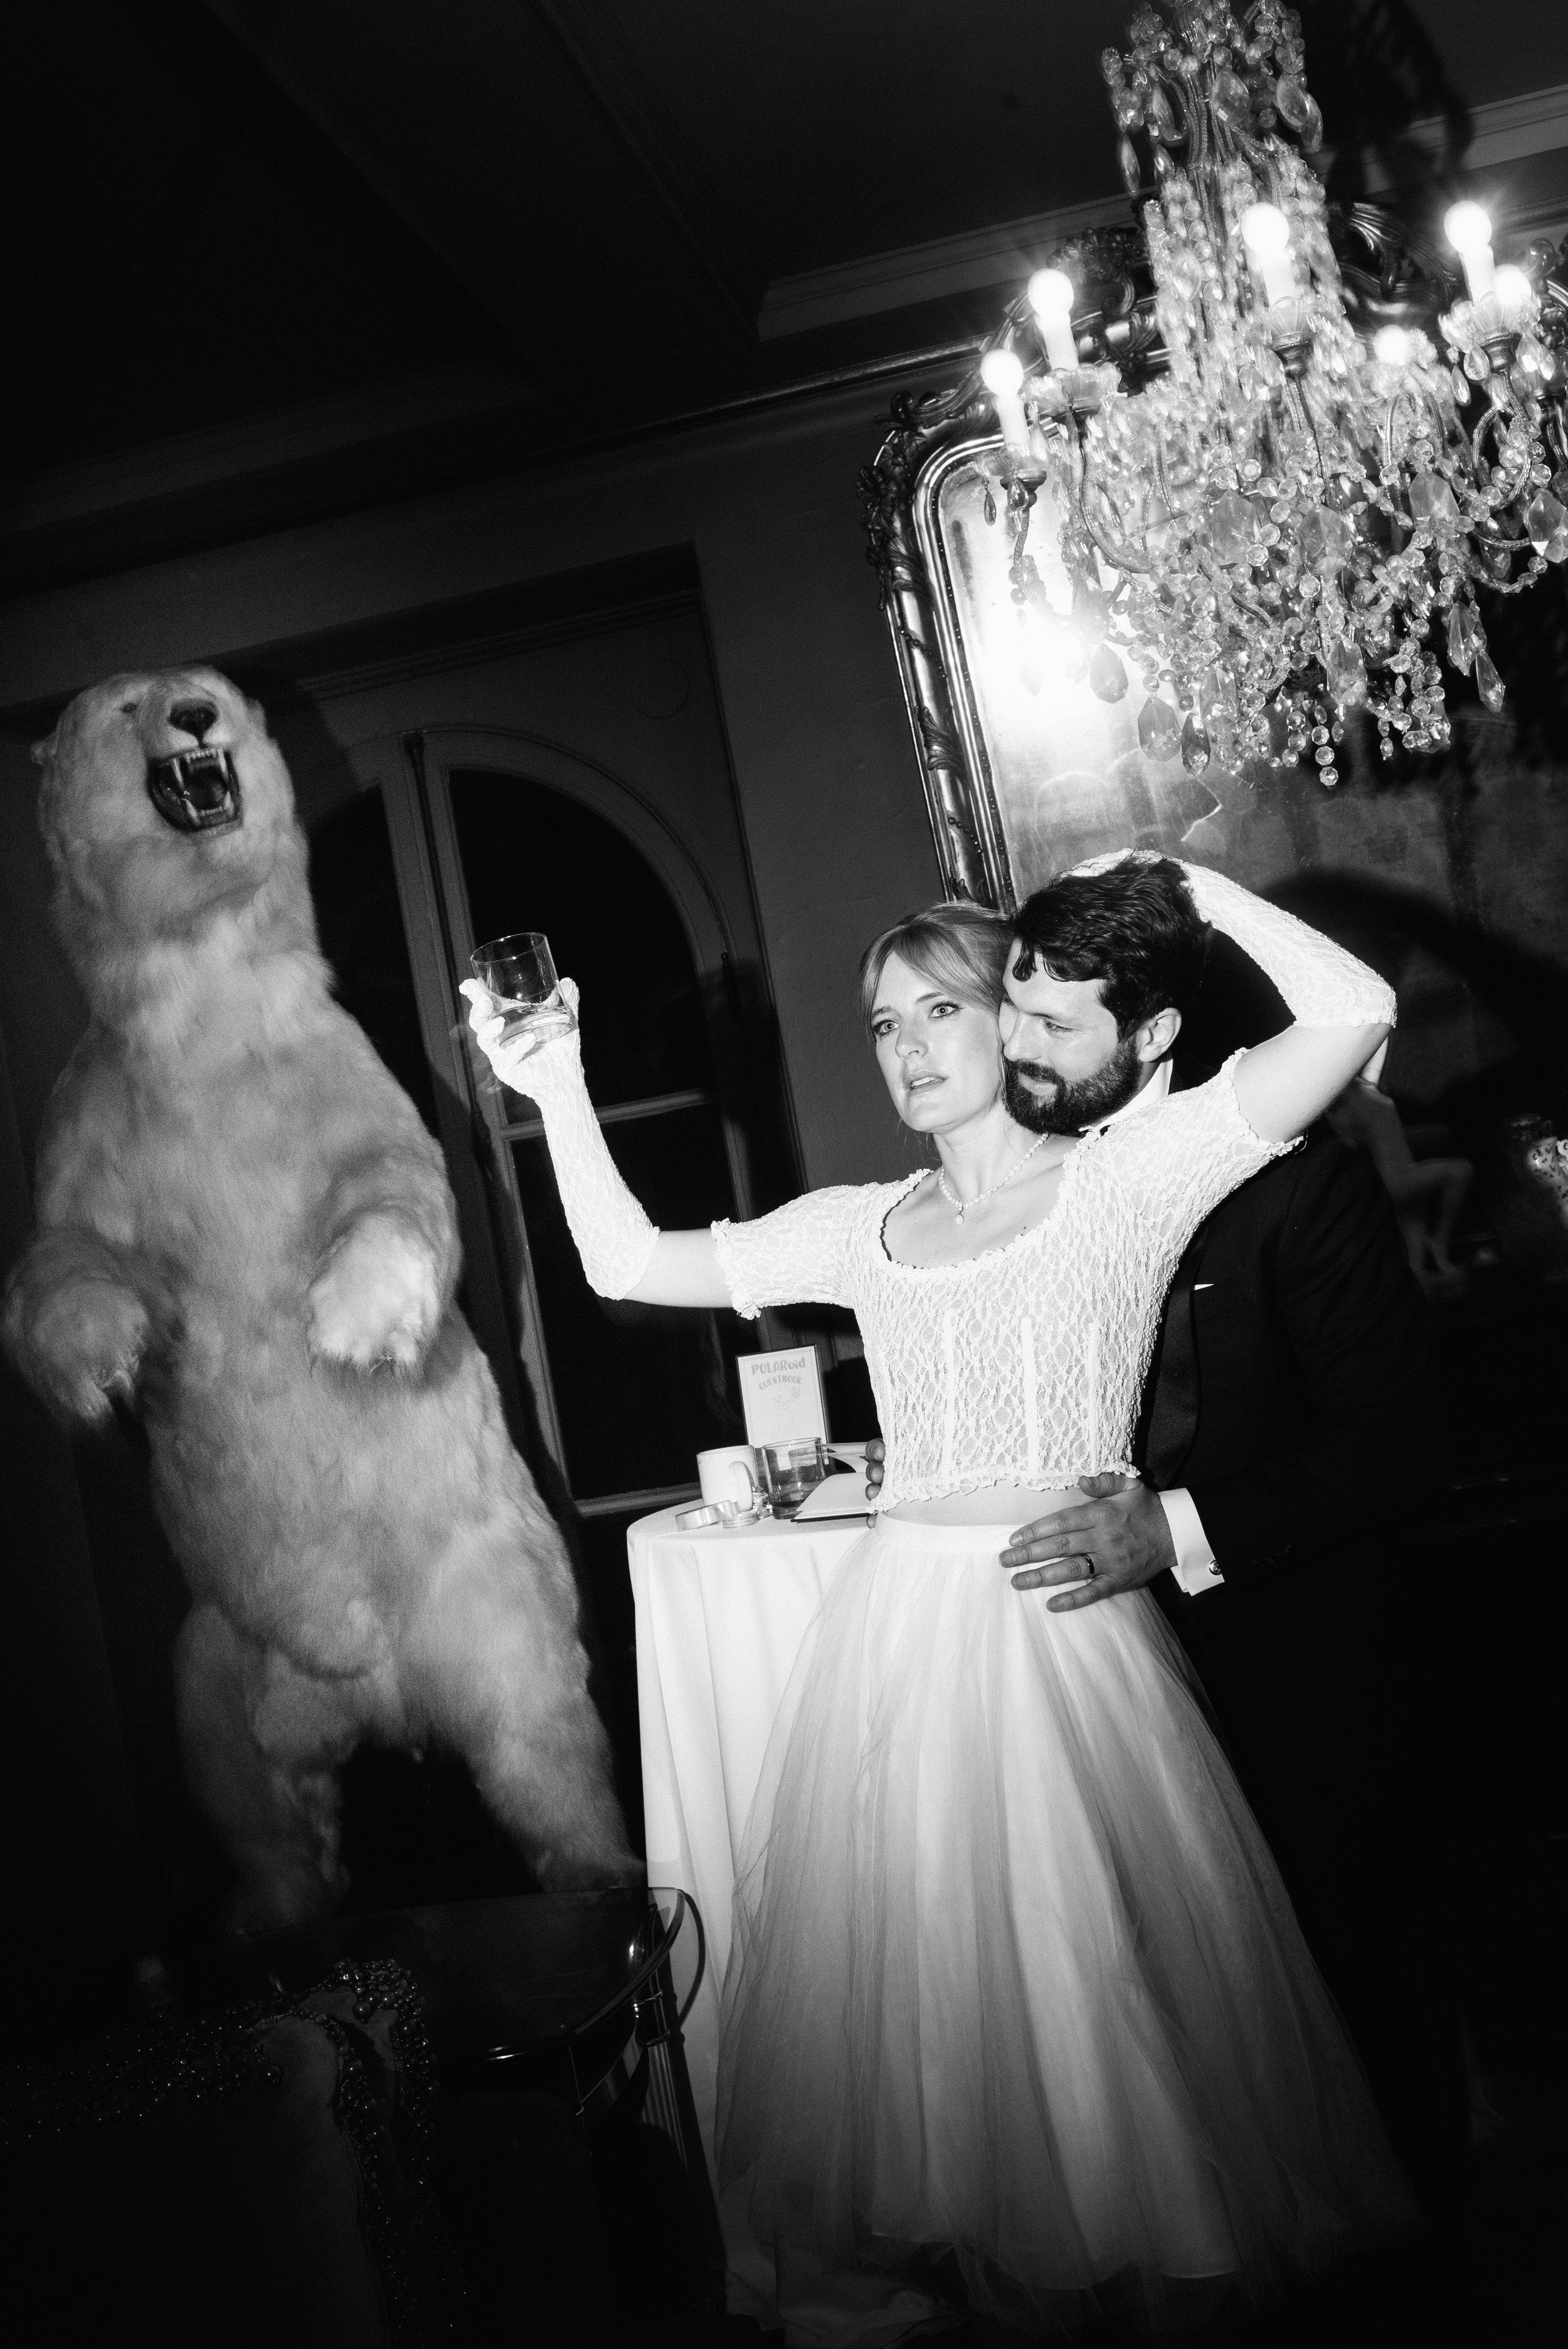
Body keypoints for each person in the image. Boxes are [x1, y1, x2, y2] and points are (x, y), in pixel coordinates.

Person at [462, 856, 1415, 2341]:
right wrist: (557, 1087)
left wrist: (1180, 890)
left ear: (1013, 1020)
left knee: (1095, 2043)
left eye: (936, 1010)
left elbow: (1354, 1009)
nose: (904, 1046)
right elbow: (630, 1262)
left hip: (1054, 1651)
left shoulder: (1130, 1176)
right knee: (947, 2065)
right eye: (879, 1023)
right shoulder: (860, 1224)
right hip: (895, 1650)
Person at [985, 902, 1468, 2234]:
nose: (1008, 1046)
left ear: (1150, 1036)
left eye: (1048, 1022)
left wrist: (1176, 1532)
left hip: (1292, 1662)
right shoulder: (1025, 1186)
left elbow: (1396, 1441)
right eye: (1009, 1010)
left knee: (1351, 1996)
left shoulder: (1289, 1177)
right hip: (1099, 1670)